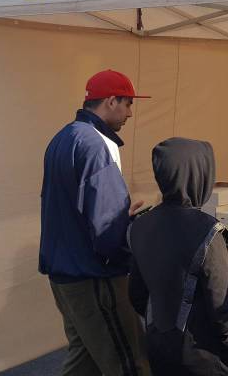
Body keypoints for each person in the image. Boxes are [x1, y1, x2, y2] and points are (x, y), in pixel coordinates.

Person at [39, 69, 150, 376]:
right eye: (127, 104)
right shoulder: (95, 145)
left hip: (64, 271)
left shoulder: (63, 137)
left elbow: (72, 207)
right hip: (94, 274)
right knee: (129, 361)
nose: (129, 113)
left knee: (84, 358)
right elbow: (106, 226)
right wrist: (126, 233)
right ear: (111, 101)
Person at [128, 138, 228, 376]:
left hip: (159, 346)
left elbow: (137, 295)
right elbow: (225, 317)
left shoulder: (140, 224)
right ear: (200, 175)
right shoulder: (208, 230)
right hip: (203, 355)